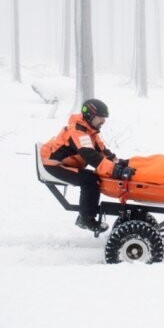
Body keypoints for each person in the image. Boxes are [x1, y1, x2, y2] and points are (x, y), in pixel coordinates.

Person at [40, 99, 130, 233]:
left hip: (66, 162)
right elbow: (90, 155)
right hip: (52, 164)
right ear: (90, 115)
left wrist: (119, 163)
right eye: (101, 117)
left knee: (92, 177)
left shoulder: (90, 131)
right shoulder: (77, 130)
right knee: (89, 180)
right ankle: (86, 219)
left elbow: (102, 151)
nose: (103, 121)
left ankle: (85, 215)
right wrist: (115, 170)